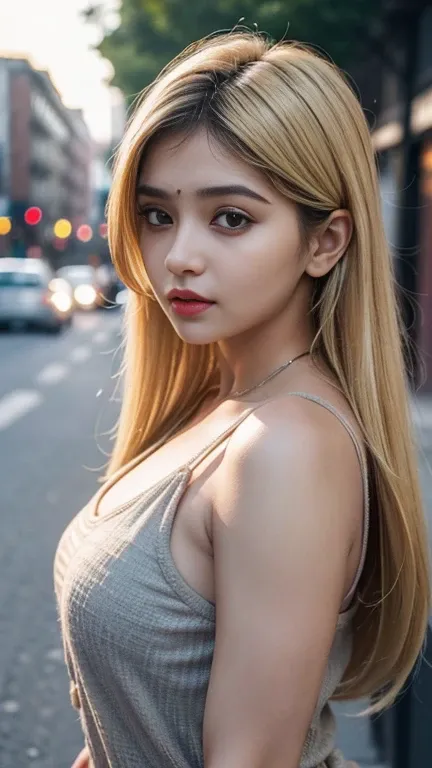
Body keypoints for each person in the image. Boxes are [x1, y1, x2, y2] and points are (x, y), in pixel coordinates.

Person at [54, 31, 431, 768]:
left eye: (231, 217)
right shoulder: (217, 408)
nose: (179, 255)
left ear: (325, 244)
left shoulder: (285, 447)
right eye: (159, 214)